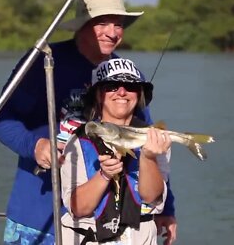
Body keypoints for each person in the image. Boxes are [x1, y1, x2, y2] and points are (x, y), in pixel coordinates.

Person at [0, 0, 176, 245]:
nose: (112, 33)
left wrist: (167, 210)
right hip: (38, 217)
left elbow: (146, 139)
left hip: (102, 226)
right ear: (82, 24)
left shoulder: (128, 79)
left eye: (119, 24)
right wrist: (35, 146)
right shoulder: (43, 62)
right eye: (102, 23)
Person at [60, 58, 172, 244]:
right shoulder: (77, 142)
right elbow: (78, 207)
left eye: (130, 86)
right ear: (97, 94)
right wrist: (104, 174)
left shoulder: (154, 139)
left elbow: (151, 196)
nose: (121, 92)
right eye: (111, 86)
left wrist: (148, 156)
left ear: (139, 94)